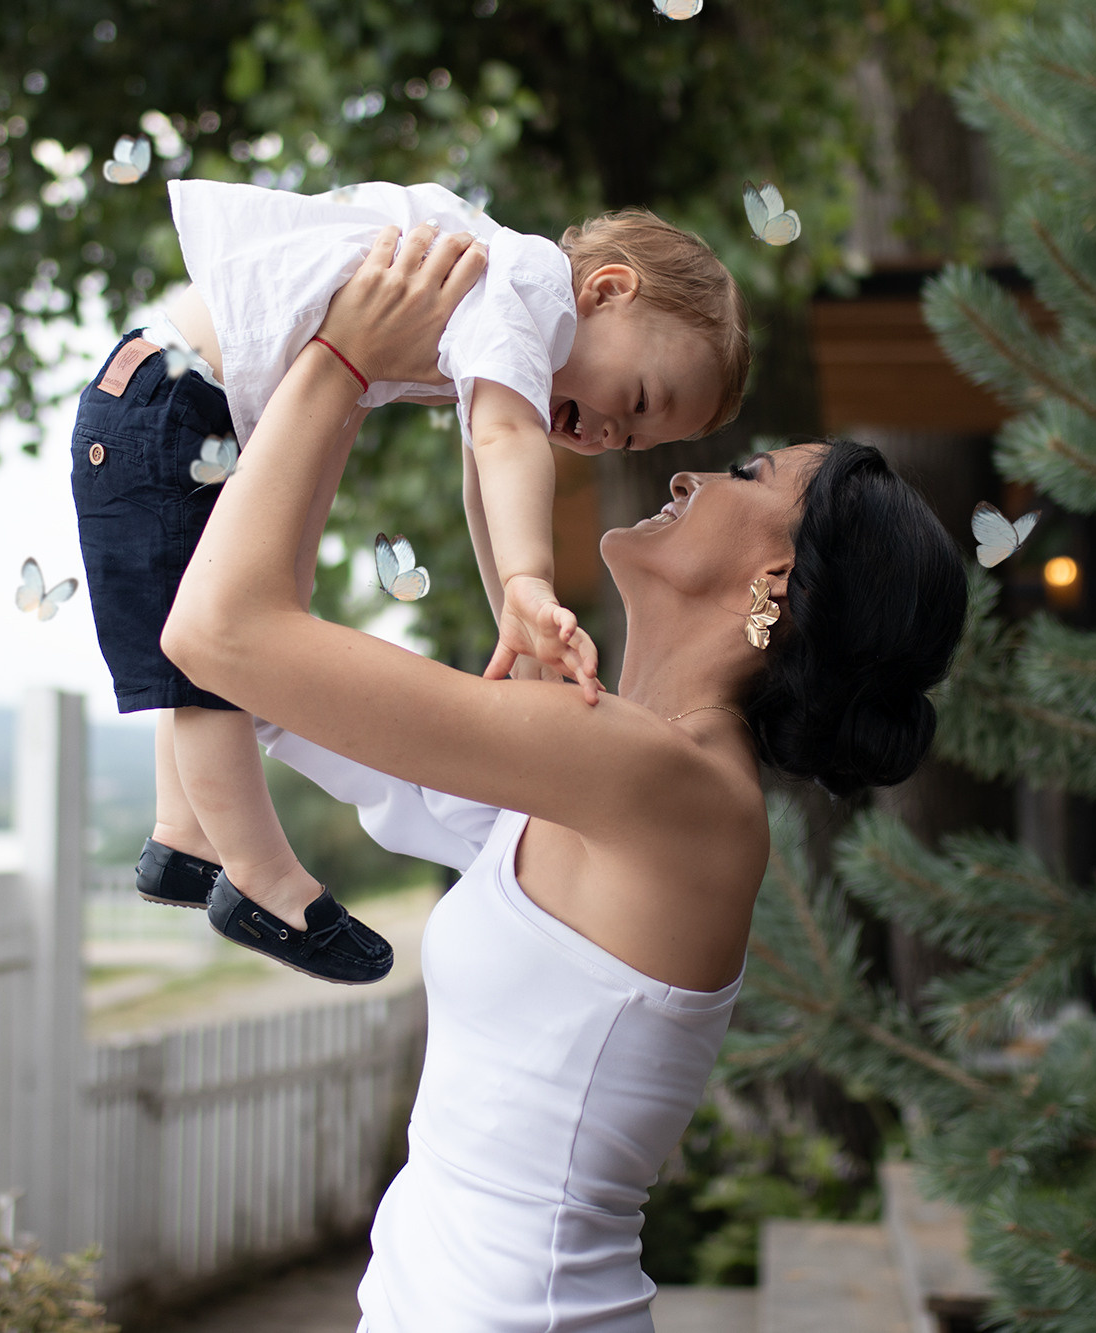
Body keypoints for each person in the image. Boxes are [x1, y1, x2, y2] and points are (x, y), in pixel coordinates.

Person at [163, 225, 969, 1332]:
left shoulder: (669, 785)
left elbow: (221, 634)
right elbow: (257, 682)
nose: (686, 470)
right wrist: (435, 366)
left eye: (746, 474)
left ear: (775, 580)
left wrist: (340, 357)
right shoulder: (606, 766)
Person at [68, 179, 748, 984]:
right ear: (606, 290)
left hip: (173, 400)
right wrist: (529, 578)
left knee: (195, 644)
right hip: (174, 404)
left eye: (632, 440)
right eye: (635, 400)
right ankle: (260, 876)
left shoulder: (501, 314)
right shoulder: (526, 291)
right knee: (206, 665)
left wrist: (518, 612)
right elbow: (504, 441)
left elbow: (480, 476)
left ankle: (183, 834)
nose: (609, 432)